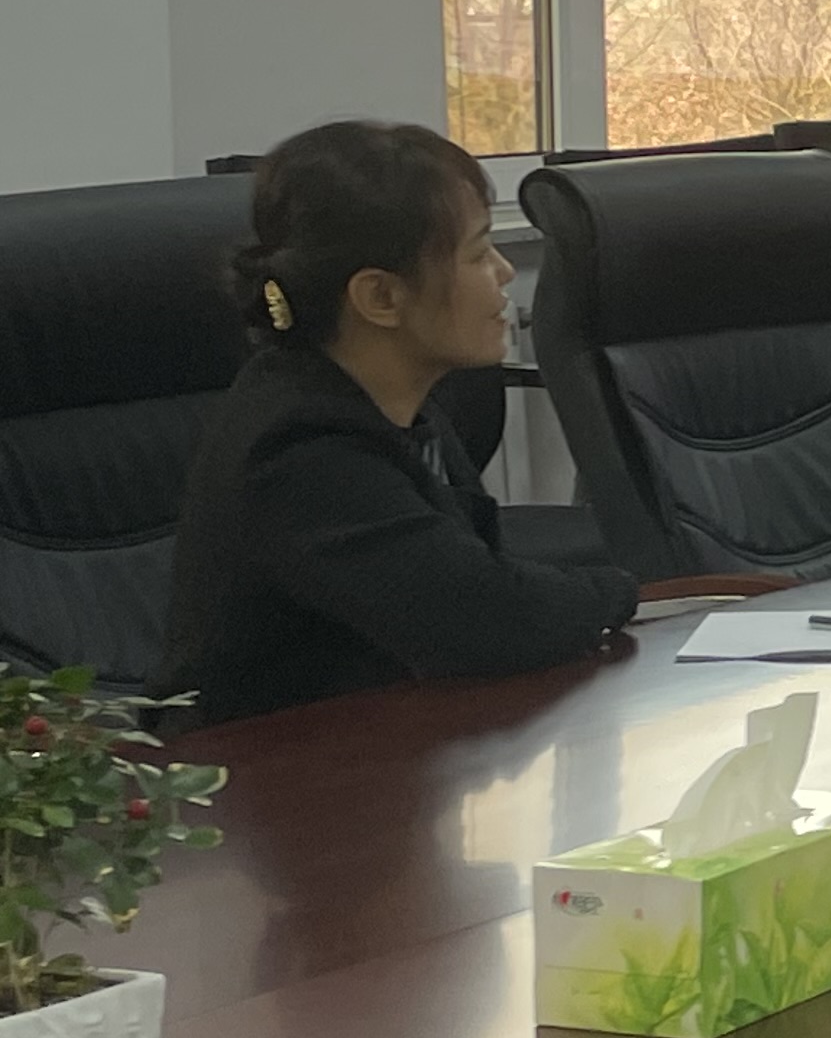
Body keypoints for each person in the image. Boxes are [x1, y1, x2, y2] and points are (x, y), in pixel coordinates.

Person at [159, 122, 643, 724]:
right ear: (380, 298)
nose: (503, 273)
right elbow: (487, 620)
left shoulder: (398, 406)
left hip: (381, 744)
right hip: (263, 771)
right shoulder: (300, 449)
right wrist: (626, 591)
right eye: (478, 253)